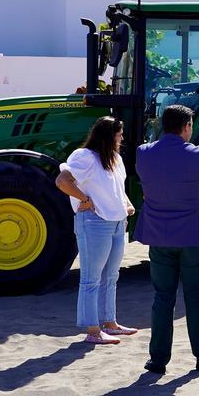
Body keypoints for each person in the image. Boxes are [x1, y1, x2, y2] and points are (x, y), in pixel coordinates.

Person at [134, 105, 199, 374]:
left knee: (162, 296)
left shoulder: (144, 152)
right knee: (197, 296)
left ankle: (158, 360)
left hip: (158, 234)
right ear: (186, 126)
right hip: (194, 233)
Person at [55, 116, 138, 345]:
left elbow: (115, 188)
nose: (121, 139)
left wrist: (126, 205)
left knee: (111, 276)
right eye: (119, 135)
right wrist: (84, 199)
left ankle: (110, 323)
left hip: (115, 222)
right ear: (108, 136)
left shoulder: (115, 159)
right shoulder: (85, 157)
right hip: (94, 222)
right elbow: (62, 181)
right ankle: (93, 330)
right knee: (91, 278)